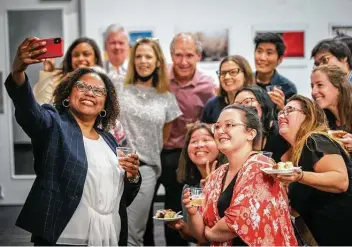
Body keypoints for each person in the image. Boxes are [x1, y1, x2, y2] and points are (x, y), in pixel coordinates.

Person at [5, 37, 141, 246]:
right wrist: (18, 72)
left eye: (98, 90)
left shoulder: (109, 140)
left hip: (110, 235)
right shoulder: (54, 124)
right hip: (66, 236)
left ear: (105, 104)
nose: (90, 92)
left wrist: (132, 177)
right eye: (83, 86)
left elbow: (121, 197)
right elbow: (29, 111)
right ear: (68, 94)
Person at [183, 104, 297, 246]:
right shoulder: (217, 175)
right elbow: (199, 237)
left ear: (250, 133)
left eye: (229, 125)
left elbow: (236, 222)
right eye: (217, 127)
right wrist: (193, 213)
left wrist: (209, 233)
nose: (220, 131)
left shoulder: (261, 166)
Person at [146, 32, 216, 246]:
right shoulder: (159, 79)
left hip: (183, 156)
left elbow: (213, 123)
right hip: (153, 152)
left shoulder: (208, 86)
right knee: (144, 208)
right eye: (178, 55)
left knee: (175, 211)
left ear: (198, 56)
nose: (183, 61)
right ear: (170, 55)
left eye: (189, 55)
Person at [116, 37, 182, 246]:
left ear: (157, 62)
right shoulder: (119, 88)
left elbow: (163, 135)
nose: (143, 61)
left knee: (134, 232)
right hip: (114, 167)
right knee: (110, 226)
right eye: (138, 56)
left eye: (148, 56)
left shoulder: (166, 98)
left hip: (146, 169)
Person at [276, 94, 352, 245]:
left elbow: (341, 181)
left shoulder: (315, 139)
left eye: (289, 110)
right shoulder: (295, 154)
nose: (282, 115)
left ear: (308, 116)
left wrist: (300, 176)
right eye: (280, 112)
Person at [166, 122, 222, 243]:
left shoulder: (231, 178)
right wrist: (182, 227)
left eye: (206, 139)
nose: (199, 145)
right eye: (194, 141)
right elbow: (198, 238)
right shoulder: (190, 188)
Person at [33, 37, 103, 105]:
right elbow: (40, 103)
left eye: (86, 54)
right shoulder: (57, 77)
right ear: (70, 59)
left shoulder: (103, 81)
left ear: (96, 58)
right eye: (76, 55)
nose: (80, 58)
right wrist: (48, 72)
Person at [234, 85, 290, 162]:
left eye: (247, 101)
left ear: (262, 102)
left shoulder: (280, 131)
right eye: (237, 105)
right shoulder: (237, 135)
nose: (243, 107)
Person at [310, 65, 352, 152]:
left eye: (320, 85)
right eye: (312, 86)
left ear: (339, 88)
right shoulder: (321, 122)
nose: (313, 92)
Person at [201, 55, 254, 123]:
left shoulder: (255, 103)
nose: (227, 77)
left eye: (233, 72)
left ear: (246, 75)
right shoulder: (212, 104)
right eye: (223, 73)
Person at [253, 32, 297, 110]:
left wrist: (282, 108)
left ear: (279, 59)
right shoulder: (245, 81)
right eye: (259, 51)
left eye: (269, 53)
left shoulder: (288, 88)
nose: (262, 58)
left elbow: (293, 118)